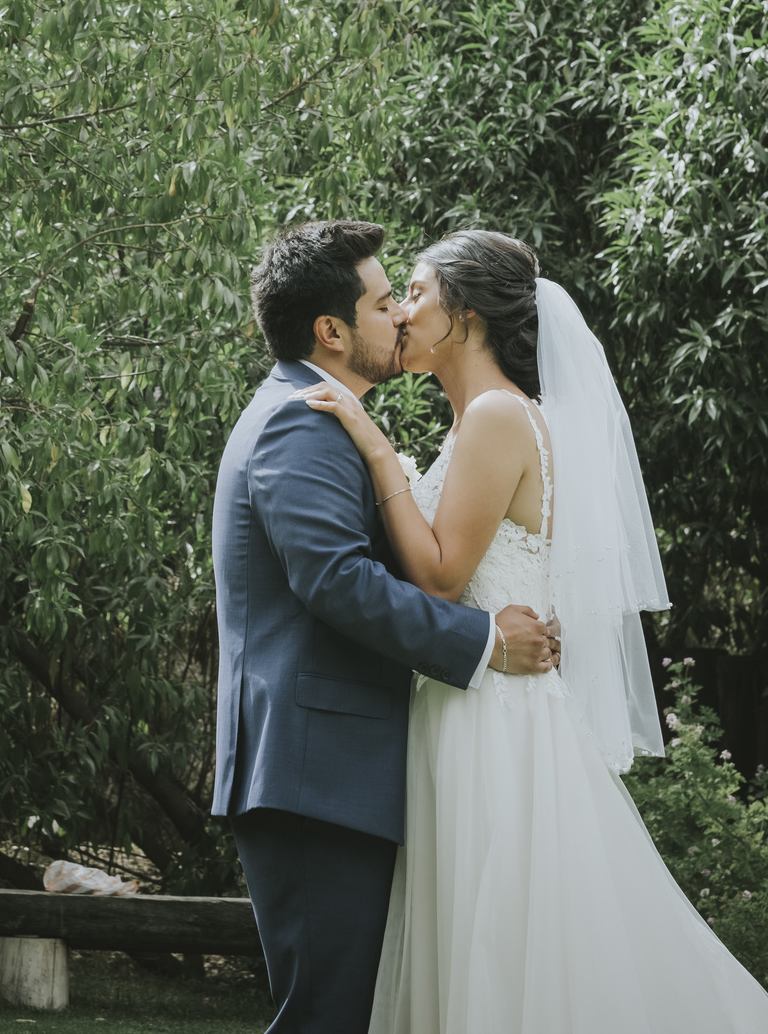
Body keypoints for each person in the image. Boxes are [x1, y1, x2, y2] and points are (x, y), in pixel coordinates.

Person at [300, 228, 768, 1033]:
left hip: (493, 722)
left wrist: (374, 445)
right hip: (462, 701)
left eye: (416, 294)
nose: (401, 314)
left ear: (463, 314)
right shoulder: (478, 422)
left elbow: (441, 576)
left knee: (504, 945)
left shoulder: (497, 414)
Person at [211, 221, 557, 1034]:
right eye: (380, 303)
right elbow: (336, 580)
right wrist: (483, 642)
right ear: (330, 331)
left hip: (335, 773)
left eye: (405, 297)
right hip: (311, 774)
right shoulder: (302, 422)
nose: (399, 315)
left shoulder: (327, 417)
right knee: (326, 1016)